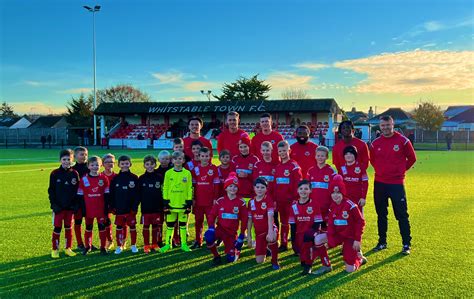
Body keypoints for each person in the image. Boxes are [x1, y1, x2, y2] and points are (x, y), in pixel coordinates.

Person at [370, 115, 416, 255]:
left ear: (393, 124)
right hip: (380, 184)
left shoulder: (403, 141)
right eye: (383, 125)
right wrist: (381, 171)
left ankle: (406, 244)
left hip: (396, 184)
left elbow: (412, 159)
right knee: (381, 214)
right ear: (380, 126)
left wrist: (400, 171)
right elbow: (372, 160)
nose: (385, 128)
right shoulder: (375, 143)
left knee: (402, 214)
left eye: (388, 125)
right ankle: (382, 241)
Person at [312, 175, 366, 274]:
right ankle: (326, 265)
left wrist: (357, 239)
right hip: (339, 235)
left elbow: (360, 222)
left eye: (338, 192)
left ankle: (360, 260)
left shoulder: (351, 205)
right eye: (333, 193)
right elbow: (331, 224)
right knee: (318, 239)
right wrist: (331, 239)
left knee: (349, 269)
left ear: (343, 192)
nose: (335, 195)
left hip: (350, 237)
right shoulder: (332, 206)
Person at [204, 173, 248, 265]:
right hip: (220, 229)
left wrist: (242, 234)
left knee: (231, 259)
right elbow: (211, 215)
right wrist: (211, 227)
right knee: (208, 237)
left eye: (235, 186)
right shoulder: (220, 201)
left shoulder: (241, 202)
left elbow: (244, 220)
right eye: (230, 186)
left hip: (231, 234)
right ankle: (216, 256)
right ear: (226, 188)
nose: (233, 188)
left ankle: (236, 250)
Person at [288, 180, 328, 275]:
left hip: (312, 232)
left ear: (310, 190)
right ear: (297, 190)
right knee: (302, 256)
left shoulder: (314, 204)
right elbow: (293, 225)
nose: (303, 191)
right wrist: (293, 240)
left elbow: (318, 222)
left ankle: (308, 266)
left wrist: (311, 233)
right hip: (299, 234)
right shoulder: (294, 206)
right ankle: (313, 255)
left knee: (307, 249)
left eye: (306, 189)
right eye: (301, 189)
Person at [48, 149, 80, 258]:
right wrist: (54, 205)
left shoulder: (75, 173)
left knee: (68, 228)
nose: (66, 161)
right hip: (58, 208)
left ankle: (68, 248)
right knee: (57, 228)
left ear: (72, 160)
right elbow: (51, 190)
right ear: (60, 160)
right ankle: (55, 249)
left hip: (69, 208)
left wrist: (75, 204)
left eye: (69, 159)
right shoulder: (54, 173)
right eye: (64, 159)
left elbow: (77, 190)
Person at [160, 151, 193, 253]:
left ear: (183, 160)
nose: (178, 161)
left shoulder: (187, 173)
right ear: (172, 160)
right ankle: (167, 244)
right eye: (175, 159)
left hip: (182, 204)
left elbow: (189, 188)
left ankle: (183, 244)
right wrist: (165, 201)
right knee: (170, 225)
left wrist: (189, 202)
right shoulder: (168, 173)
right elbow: (165, 187)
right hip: (171, 204)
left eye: (180, 159)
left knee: (182, 225)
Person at [77, 156, 110, 255]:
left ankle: (103, 247)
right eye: (92, 165)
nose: (95, 167)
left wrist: (106, 208)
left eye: (97, 165)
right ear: (88, 166)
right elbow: (80, 195)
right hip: (89, 209)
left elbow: (107, 194)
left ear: (101, 165)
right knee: (88, 227)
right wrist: (83, 209)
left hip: (101, 209)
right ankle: (88, 246)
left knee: (102, 228)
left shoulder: (104, 178)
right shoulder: (84, 179)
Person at [274, 140, 302, 252]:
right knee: (283, 222)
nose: (282, 153)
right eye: (280, 151)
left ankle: (296, 246)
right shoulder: (277, 167)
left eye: (284, 151)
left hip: (292, 201)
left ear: (289, 151)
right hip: (280, 201)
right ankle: (284, 244)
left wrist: (296, 199)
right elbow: (276, 185)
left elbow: (298, 184)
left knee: (294, 223)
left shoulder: (294, 167)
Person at [247, 177, 280, 270]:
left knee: (272, 237)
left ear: (266, 189)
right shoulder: (251, 202)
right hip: (259, 233)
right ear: (254, 188)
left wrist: (270, 232)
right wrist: (249, 236)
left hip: (269, 229)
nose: (259, 189)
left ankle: (274, 260)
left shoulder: (268, 200)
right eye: (257, 187)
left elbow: (270, 217)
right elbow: (249, 220)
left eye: (262, 187)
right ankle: (267, 248)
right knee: (259, 261)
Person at [109, 155, 140, 254]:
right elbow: (112, 194)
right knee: (119, 227)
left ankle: (133, 245)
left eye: (127, 163)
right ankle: (119, 245)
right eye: (122, 164)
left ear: (130, 164)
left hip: (131, 209)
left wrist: (134, 207)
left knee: (132, 226)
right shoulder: (115, 179)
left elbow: (137, 195)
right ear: (118, 165)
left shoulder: (134, 178)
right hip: (119, 208)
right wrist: (113, 206)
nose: (125, 165)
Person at [191, 147, 220, 249]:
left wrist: (215, 198)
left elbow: (216, 184)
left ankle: (211, 240)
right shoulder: (196, 169)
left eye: (207, 156)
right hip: (199, 201)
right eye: (202, 156)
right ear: (199, 157)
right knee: (198, 221)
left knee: (210, 221)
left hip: (210, 201)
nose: (204, 158)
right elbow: (193, 186)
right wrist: (193, 198)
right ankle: (198, 240)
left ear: (210, 156)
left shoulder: (214, 168)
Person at [137, 155, 164, 253]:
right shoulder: (141, 178)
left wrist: (163, 204)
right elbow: (138, 194)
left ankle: (155, 244)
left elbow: (163, 192)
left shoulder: (159, 177)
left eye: (152, 164)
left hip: (157, 207)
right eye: (147, 164)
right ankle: (146, 245)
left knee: (156, 226)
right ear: (144, 165)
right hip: (145, 208)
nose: (150, 166)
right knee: (146, 226)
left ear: (155, 164)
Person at [306, 146, 337, 222]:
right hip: (313, 206)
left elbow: (335, 189)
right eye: (318, 155)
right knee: (313, 228)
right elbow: (306, 187)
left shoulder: (331, 171)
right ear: (315, 156)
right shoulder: (311, 171)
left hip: (326, 205)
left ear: (326, 157)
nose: (320, 158)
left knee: (325, 229)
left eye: (322, 156)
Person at [338, 146, 369, 210]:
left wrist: (363, 198)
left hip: (357, 199)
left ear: (355, 155)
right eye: (346, 154)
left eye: (351, 153)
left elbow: (365, 183)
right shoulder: (341, 168)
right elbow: (339, 184)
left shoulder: (361, 167)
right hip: (344, 199)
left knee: (358, 218)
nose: (348, 156)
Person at [232, 136, 260, 203]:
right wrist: (237, 175)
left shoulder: (255, 159)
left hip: (251, 194)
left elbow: (257, 178)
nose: (243, 149)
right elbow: (230, 176)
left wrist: (247, 175)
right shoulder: (234, 159)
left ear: (249, 147)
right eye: (241, 147)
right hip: (237, 193)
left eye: (245, 146)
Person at [72, 146, 89, 250]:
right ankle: (79, 243)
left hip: (89, 200)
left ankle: (88, 243)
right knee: (78, 222)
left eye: (86, 154)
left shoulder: (90, 168)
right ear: (75, 156)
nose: (84, 156)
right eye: (82, 154)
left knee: (89, 223)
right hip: (77, 201)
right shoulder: (72, 170)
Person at [101, 153, 116, 250]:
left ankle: (122, 241)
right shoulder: (100, 176)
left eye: (111, 162)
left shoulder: (117, 176)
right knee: (106, 222)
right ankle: (110, 240)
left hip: (116, 202)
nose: (109, 164)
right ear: (102, 164)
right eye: (107, 162)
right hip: (104, 203)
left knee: (122, 222)